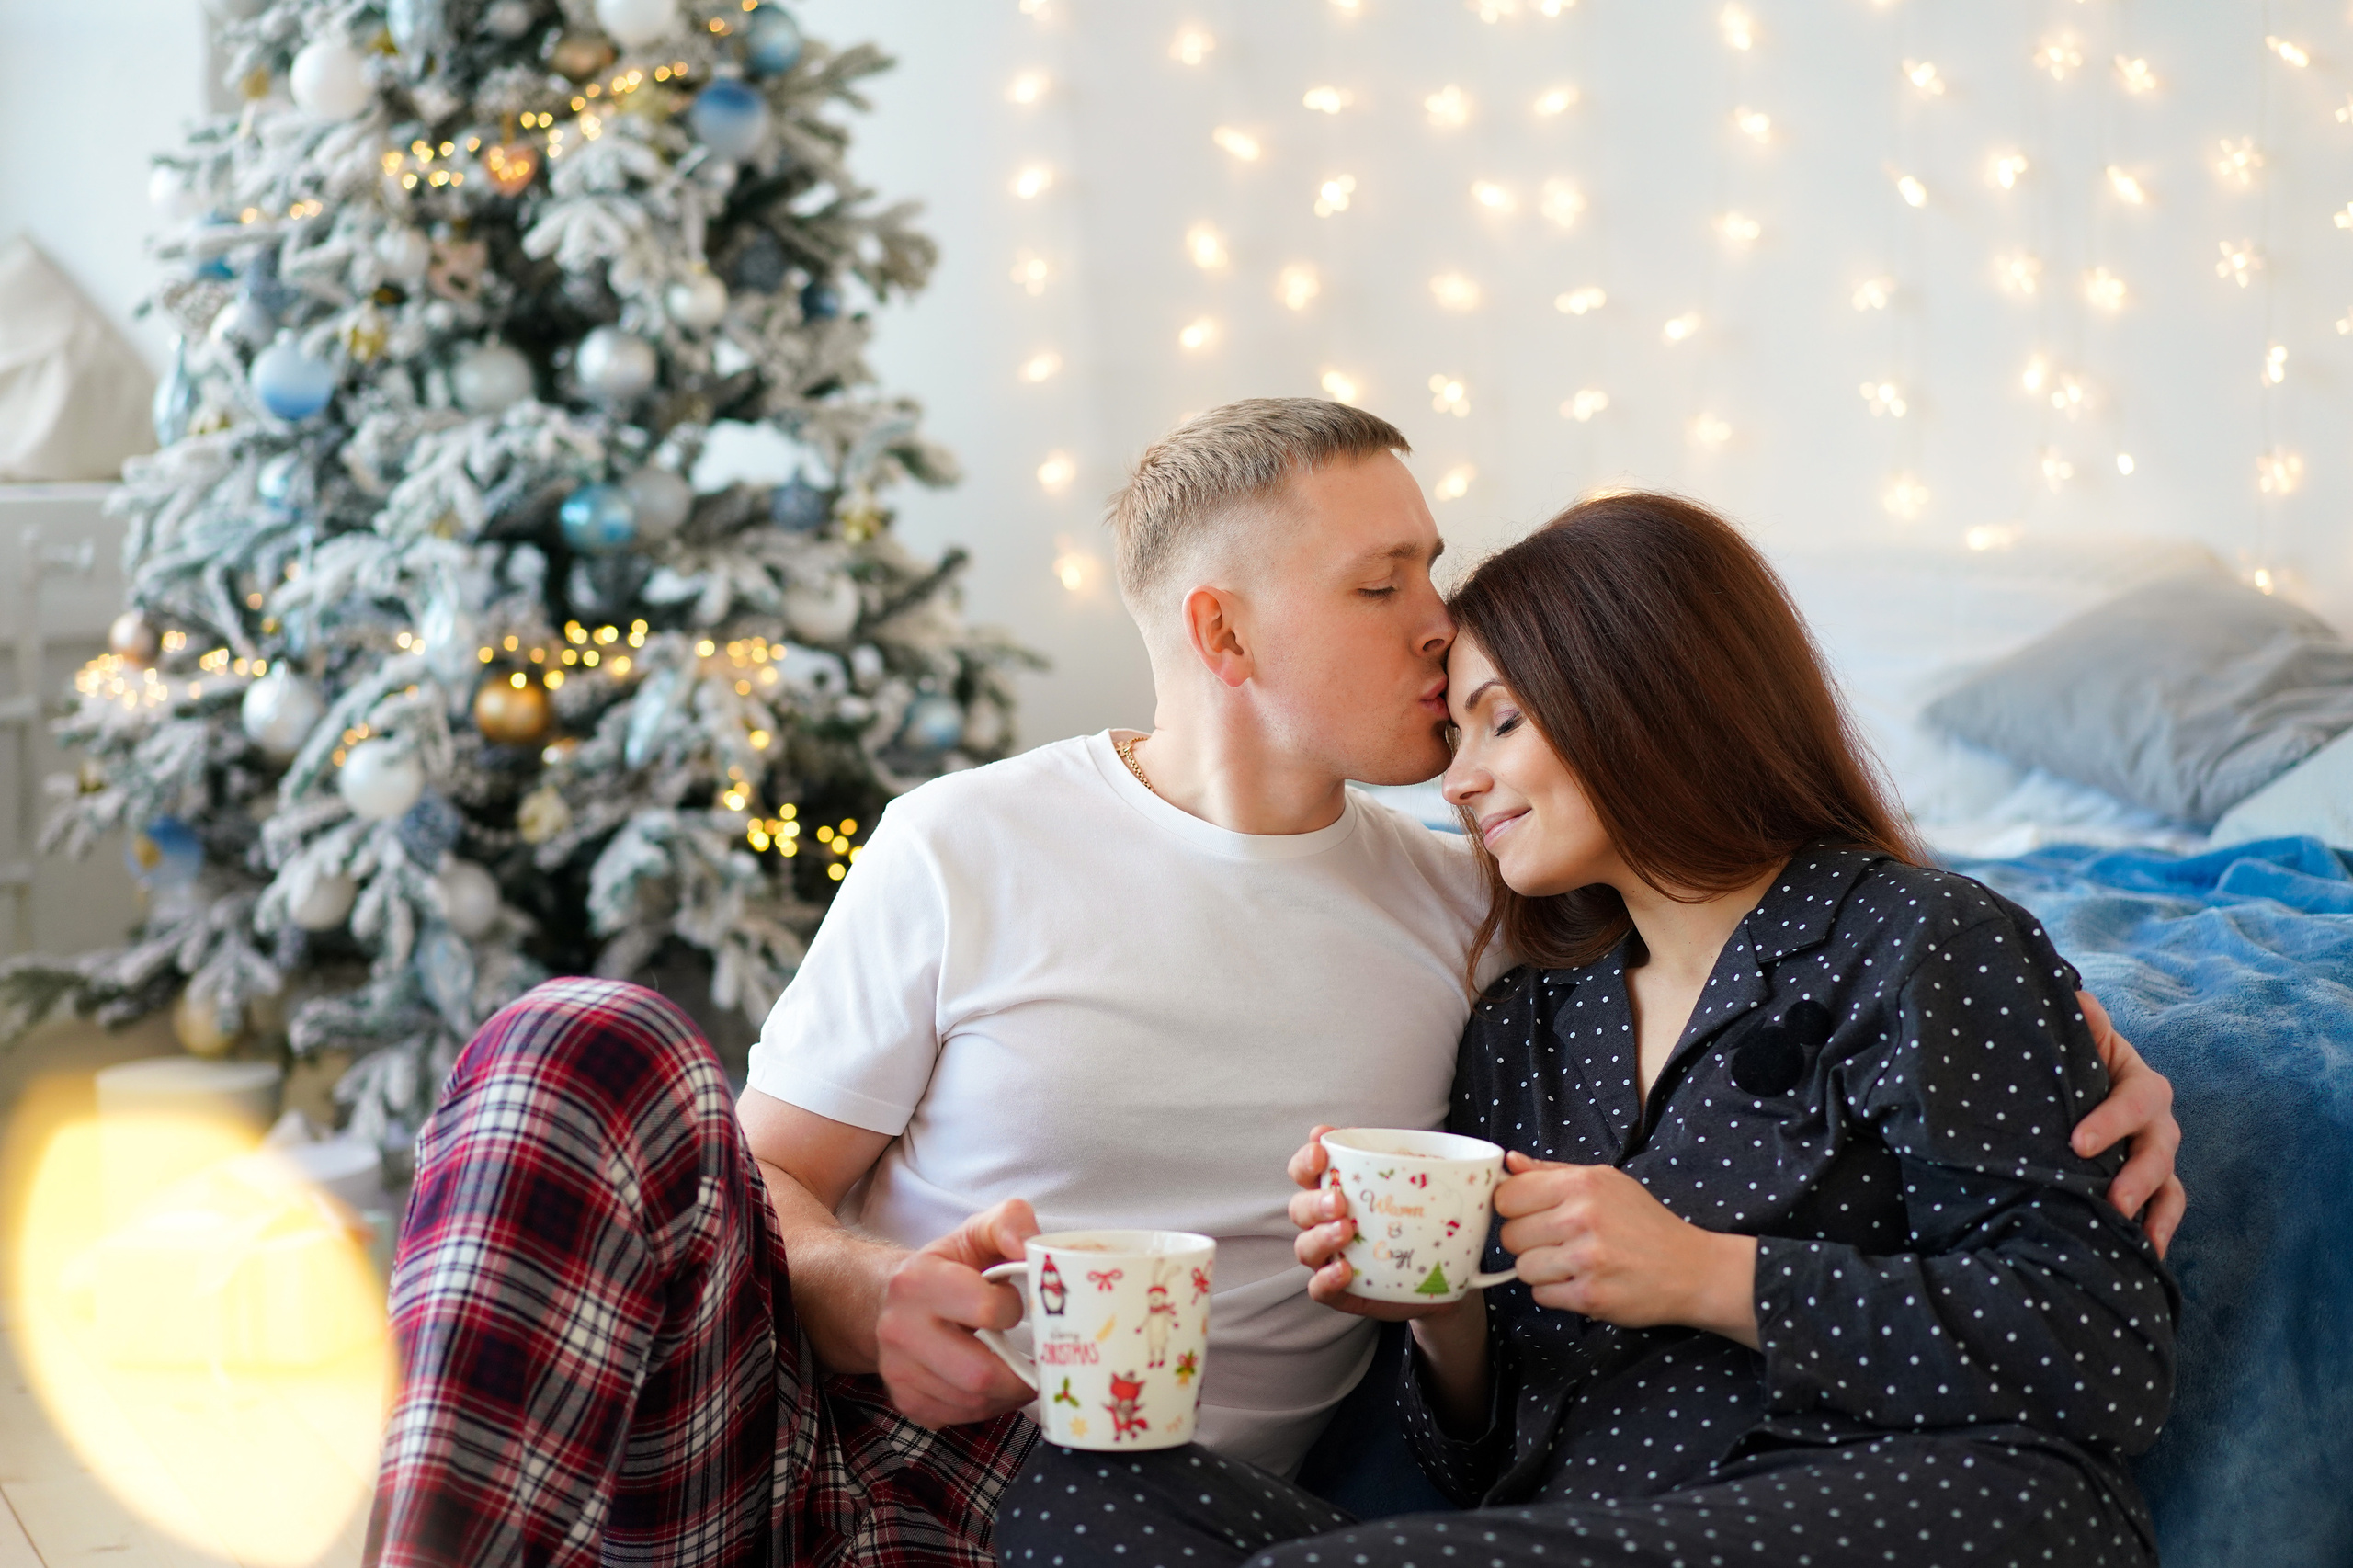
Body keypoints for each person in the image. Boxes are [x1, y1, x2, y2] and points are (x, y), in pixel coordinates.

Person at [367, 406, 2183, 1567]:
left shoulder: (1486, 907)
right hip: (782, 1434)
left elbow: (1767, 887)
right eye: (1386, 584)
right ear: (1225, 635)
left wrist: (2089, 1027)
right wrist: (854, 1297)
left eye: (1443, 594)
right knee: (581, 1035)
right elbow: (766, 1177)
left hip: (1059, 1501)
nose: (1434, 629)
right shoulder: (966, 843)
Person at [1000, 491, 2178, 1568]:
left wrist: (1707, 1274)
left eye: (1497, 721)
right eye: (1453, 735)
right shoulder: (1528, 1018)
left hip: (1923, 1500)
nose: (1456, 781)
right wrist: (1441, 1306)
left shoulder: (1915, 937)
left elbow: (2105, 1352)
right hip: (1568, 1528)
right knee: (1079, 1491)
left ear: (1643, 690)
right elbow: (1477, 1462)